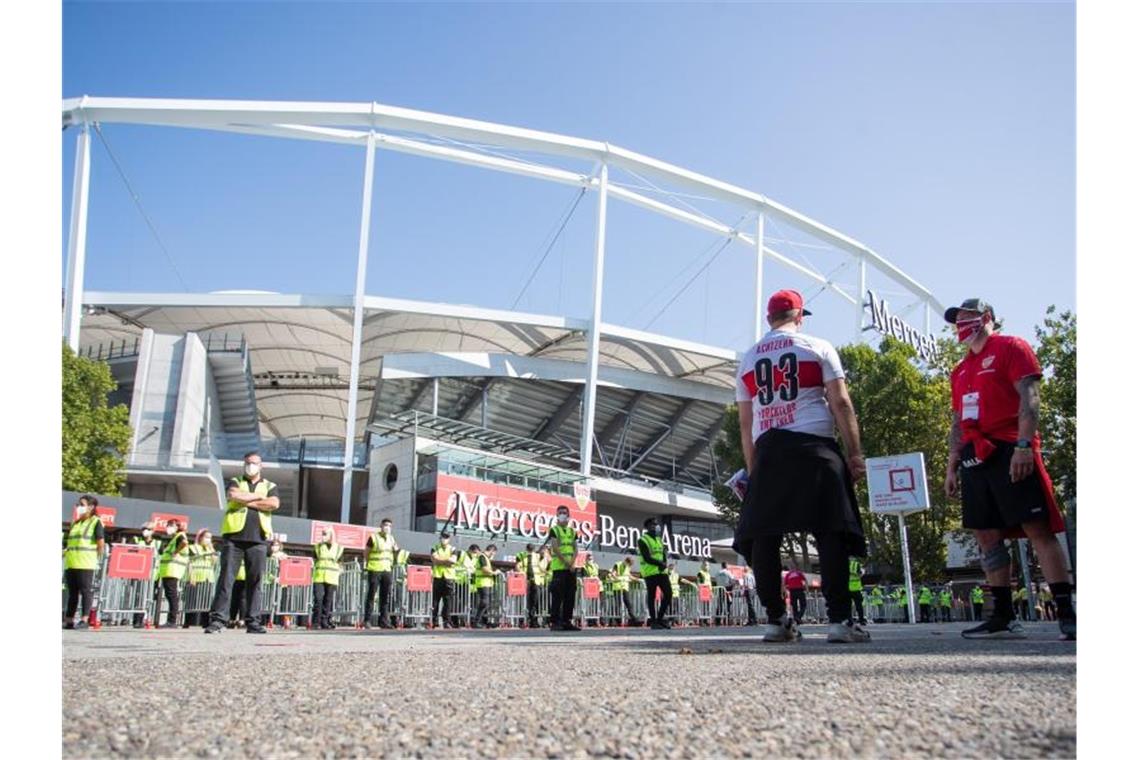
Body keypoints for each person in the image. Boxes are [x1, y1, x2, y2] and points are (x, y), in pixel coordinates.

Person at [735, 289, 871, 644]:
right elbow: (840, 402)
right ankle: (840, 620)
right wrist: (854, 454)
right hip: (815, 446)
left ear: (769, 320)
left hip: (769, 449)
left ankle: (776, 619)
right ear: (799, 316)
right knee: (831, 530)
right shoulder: (818, 346)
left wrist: (754, 471)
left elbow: (745, 425)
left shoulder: (748, 359)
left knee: (765, 533)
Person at [943, 298, 1075, 641]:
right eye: (956, 321)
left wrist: (1024, 445)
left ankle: (1066, 611)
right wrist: (952, 465)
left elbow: (1030, 397)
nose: (961, 325)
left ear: (987, 317)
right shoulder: (959, 370)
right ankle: (1002, 615)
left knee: (1036, 528)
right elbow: (957, 421)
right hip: (975, 456)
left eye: (967, 318)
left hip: (1009, 448)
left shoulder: (1012, 347)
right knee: (986, 535)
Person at [205, 452, 279, 635]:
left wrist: (246, 500)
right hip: (234, 537)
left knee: (255, 582)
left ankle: (253, 621)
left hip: (258, 539)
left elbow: (274, 503)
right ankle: (218, 619)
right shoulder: (235, 481)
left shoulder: (270, 485)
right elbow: (233, 495)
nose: (250, 466)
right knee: (226, 579)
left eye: (254, 463)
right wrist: (259, 499)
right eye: (247, 463)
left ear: (261, 466)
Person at [63, 495, 105, 630]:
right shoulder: (76, 523)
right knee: (72, 593)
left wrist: (98, 557)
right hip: (71, 562)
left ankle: (84, 619)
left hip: (86, 563)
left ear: (91, 507)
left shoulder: (95, 521)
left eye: (82, 504)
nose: (78, 506)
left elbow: (100, 542)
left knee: (86, 591)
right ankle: (69, 620)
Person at [542, 505, 581, 631]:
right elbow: (555, 548)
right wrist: (567, 563)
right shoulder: (555, 530)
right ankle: (555, 622)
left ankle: (567, 621)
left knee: (570, 595)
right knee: (558, 595)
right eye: (560, 513)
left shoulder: (572, 532)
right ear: (557, 516)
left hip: (571, 568)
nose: (562, 514)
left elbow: (575, 549)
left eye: (565, 512)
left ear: (569, 515)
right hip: (559, 568)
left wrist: (572, 563)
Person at [364, 519, 399, 629]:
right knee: (371, 595)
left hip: (386, 570)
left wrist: (396, 550)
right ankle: (367, 620)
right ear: (381, 526)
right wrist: (368, 563)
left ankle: (383, 621)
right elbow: (366, 552)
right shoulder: (373, 537)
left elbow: (395, 550)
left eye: (389, 526)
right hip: (375, 569)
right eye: (385, 525)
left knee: (385, 596)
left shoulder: (391, 538)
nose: (387, 527)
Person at [637, 517, 671, 630]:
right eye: (652, 524)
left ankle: (660, 619)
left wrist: (664, 563)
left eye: (656, 524)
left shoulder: (659, 539)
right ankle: (653, 621)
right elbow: (646, 557)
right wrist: (660, 563)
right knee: (651, 597)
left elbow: (663, 553)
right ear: (647, 527)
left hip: (662, 572)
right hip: (650, 572)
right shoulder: (643, 540)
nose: (655, 526)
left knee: (668, 594)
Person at [155, 520, 190, 627]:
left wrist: (176, 552)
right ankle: (172, 620)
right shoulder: (174, 538)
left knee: (172, 596)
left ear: (177, 526)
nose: (168, 527)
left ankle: (172, 621)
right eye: (168, 525)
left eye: (171, 525)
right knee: (170, 595)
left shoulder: (180, 535)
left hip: (173, 570)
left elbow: (184, 543)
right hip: (168, 571)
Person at [183, 529, 216, 628]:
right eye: (206, 537)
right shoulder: (193, 548)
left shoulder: (210, 549)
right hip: (196, 576)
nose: (208, 540)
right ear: (200, 537)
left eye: (209, 538)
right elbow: (189, 562)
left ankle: (205, 622)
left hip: (208, 577)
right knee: (193, 600)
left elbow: (214, 562)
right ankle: (189, 621)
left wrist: (212, 549)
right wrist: (191, 576)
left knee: (206, 601)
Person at [311, 527, 343, 630]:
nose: (323, 536)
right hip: (319, 577)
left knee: (328, 600)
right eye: (322, 534)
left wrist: (340, 570)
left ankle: (324, 621)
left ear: (331, 535)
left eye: (325, 534)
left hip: (332, 577)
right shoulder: (318, 547)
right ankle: (316, 622)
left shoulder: (338, 548)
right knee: (318, 599)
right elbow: (314, 560)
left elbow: (340, 562)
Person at [132, 523, 163, 628]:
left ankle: (148, 619)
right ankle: (137, 620)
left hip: (152, 575)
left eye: (148, 529)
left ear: (153, 531)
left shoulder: (158, 543)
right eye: (144, 529)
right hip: (139, 574)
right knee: (138, 597)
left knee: (149, 598)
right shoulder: (136, 540)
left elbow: (162, 558)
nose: (145, 531)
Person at [430, 531, 458, 629]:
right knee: (435, 601)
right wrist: (446, 561)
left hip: (449, 578)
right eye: (443, 537)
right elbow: (434, 559)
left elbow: (453, 561)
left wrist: (439, 561)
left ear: (449, 539)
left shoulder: (453, 549)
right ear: (440, 538)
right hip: (438, 577)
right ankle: (434, 621)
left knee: (448, 602)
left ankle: (447, 622)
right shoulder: (435, 547)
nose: (444, 539)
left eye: (446, 537)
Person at [472, 544, 500, 628]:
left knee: (486, 603)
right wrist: (494, 573)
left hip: (486, 583)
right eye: (494, 553)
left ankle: (485, 621)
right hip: (482, 582)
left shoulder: (485, 557)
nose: (493, 555)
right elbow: (485, 569)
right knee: (484, 602)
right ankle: (476, 621)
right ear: (492, 551)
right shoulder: (482, 557)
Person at [610, 557, 640, 626]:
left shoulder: (628, 567)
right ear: (626, 561)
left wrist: (636, 579)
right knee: (618, 604)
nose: (629, 566)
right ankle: (617, 620)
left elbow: (628, 575)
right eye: (628, 564)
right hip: (617, 587)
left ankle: (634, 619)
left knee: (628, 603)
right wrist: (617, 578)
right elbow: (613, 574)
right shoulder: (617, 564)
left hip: (624, 587)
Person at [848, 558, 867, 626]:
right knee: (859, 606)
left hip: (848, 589)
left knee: (848, 606)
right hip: (856, 589)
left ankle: (850, 621)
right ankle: (861, 620)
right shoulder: (856, 564)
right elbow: (861, 574)